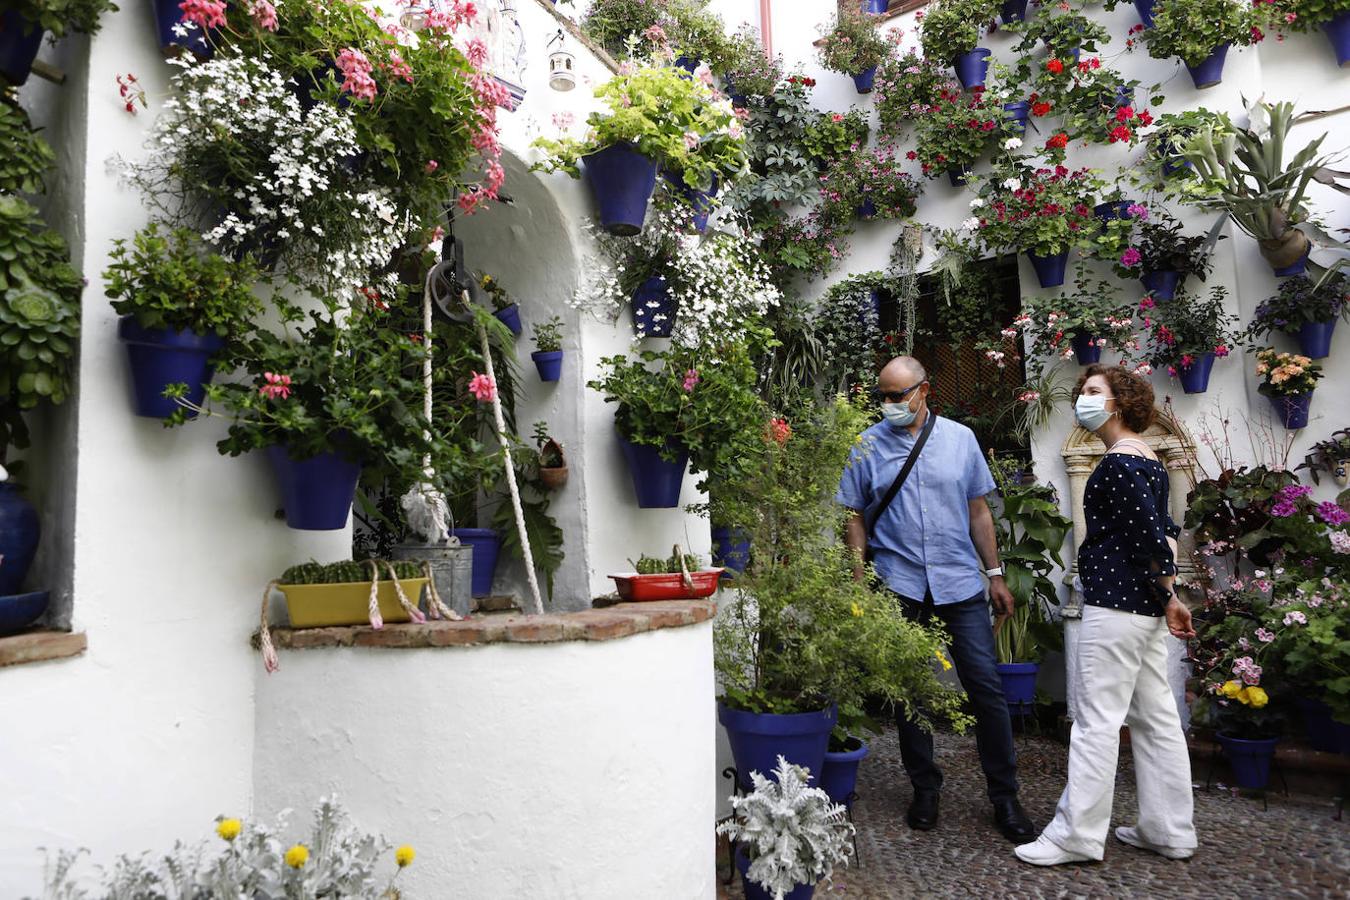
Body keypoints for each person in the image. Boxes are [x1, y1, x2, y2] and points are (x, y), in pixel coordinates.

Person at [837, 356, 1036, 843]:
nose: (889, 404)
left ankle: (1004, 796)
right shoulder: (865, 446)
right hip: (898, 581)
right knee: (911, 694)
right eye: (882, 395)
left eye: (897, 394)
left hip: (959, 583)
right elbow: (854, 515)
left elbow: (979, 512)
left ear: (924, 391)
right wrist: (860, 575)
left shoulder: (960, 440)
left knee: (986, 689)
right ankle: (924, 788)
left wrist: (995, 574)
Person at [1015, 364, 1198, 866]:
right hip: (1140, 611)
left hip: (1115, 605)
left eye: (1094, 391)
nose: (1083, 398)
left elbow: (1148, 537)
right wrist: (1165, 599)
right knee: (1155, 718)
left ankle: (1076, 835)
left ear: (1120, 402)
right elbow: (1162, 530)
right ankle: (1169, 830)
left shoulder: (1119, 462)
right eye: (1082, 391)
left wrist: (1170, 596)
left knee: (1096, 723)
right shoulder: (1150, 460)